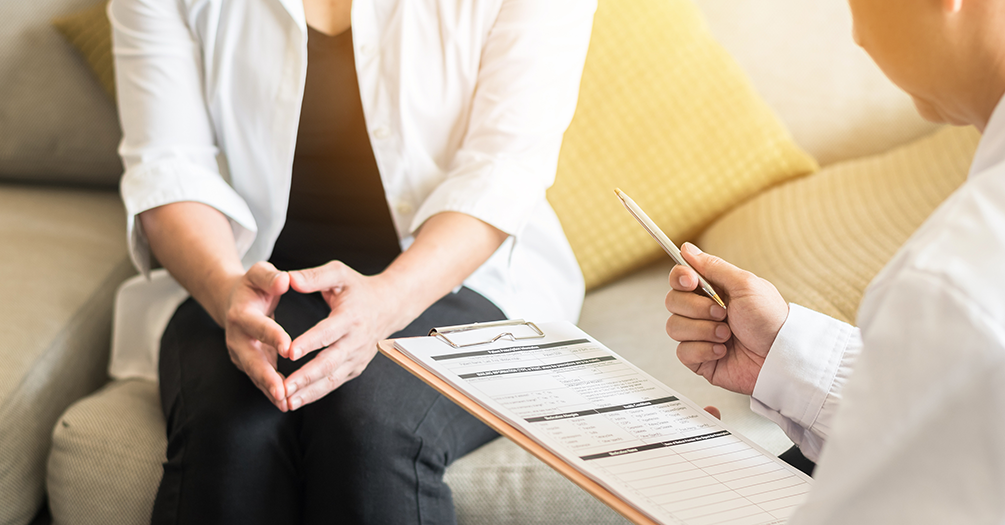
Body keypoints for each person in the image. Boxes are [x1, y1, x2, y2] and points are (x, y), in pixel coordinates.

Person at [106, 0, 595, 523]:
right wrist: (225, 288)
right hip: (250, 274)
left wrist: (388, 299)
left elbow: (505, 168)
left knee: (371, 430)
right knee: (232, 433)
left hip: (458, 276)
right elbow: (167, 164)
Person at [664, 0, 1005, 522]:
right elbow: (972, 425)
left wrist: (706, 503)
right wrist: (783, 354)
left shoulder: (950, 285)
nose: (857, 35)